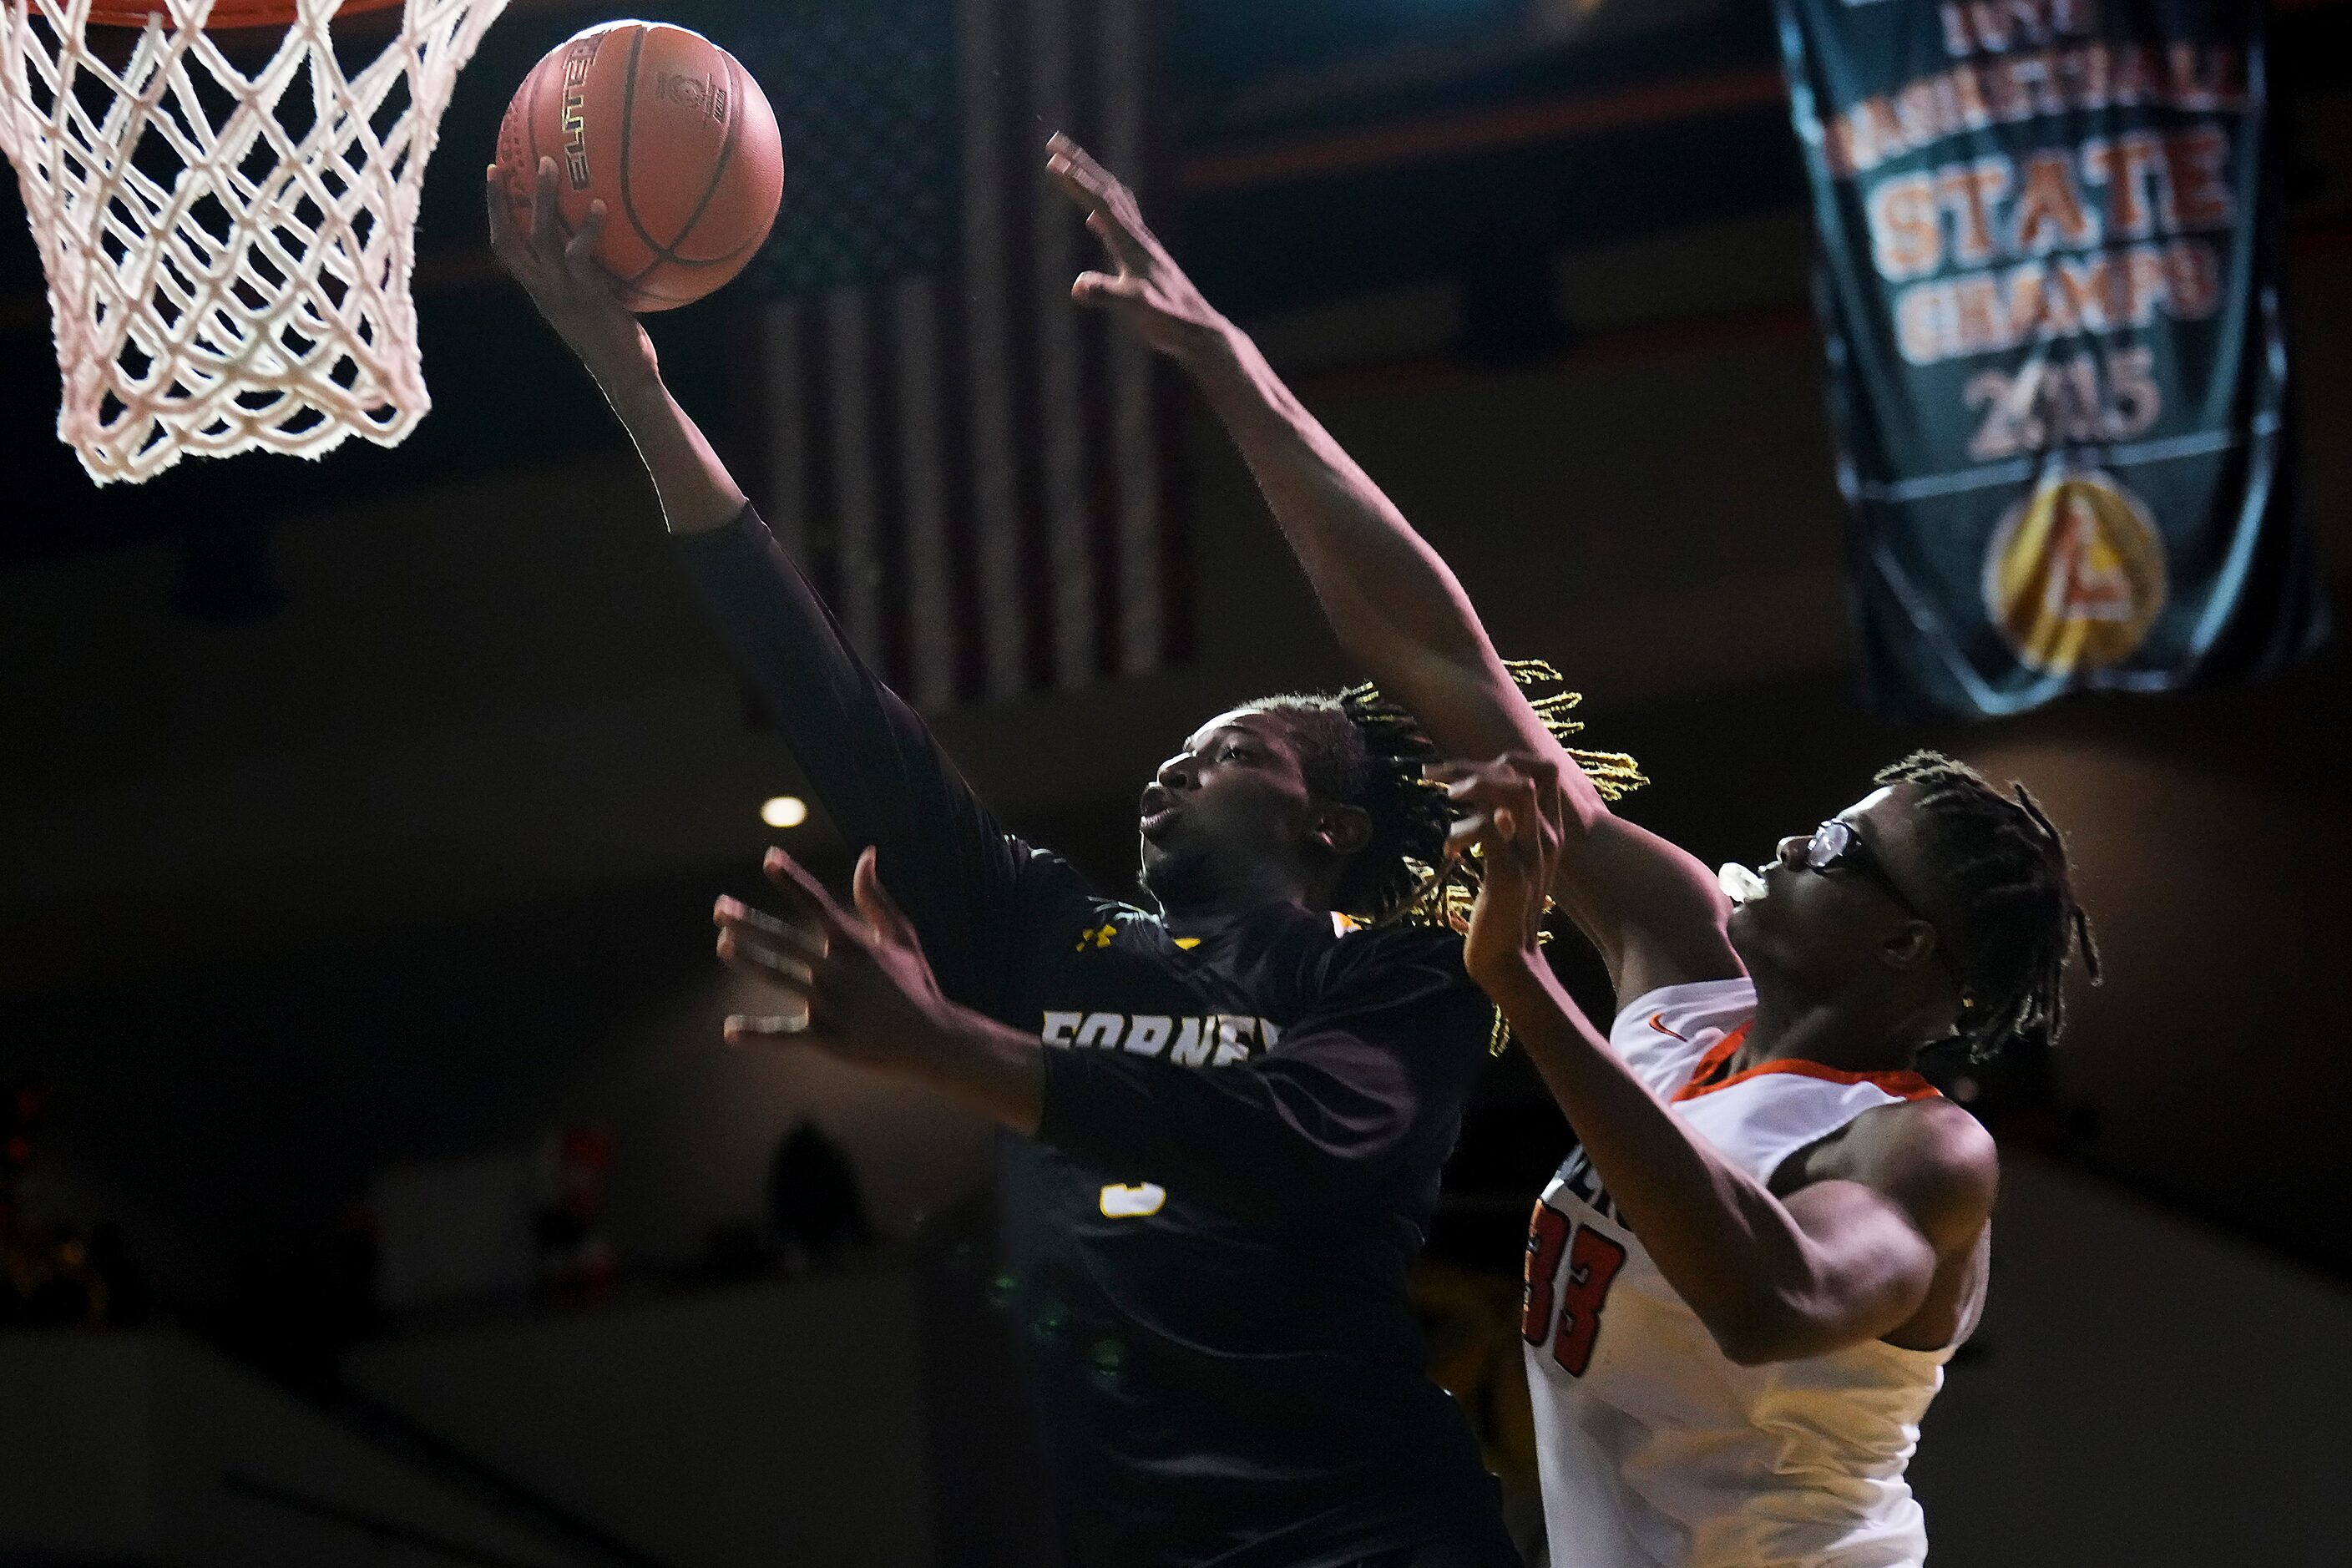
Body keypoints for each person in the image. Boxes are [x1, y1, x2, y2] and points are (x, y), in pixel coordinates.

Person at [484, 150, 1633, 1567]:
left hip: (1369, 1541)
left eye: (1227, 754)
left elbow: (1280, 1149)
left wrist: (948, 1047)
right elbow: (832, 697)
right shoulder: (1042, 932)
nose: (1171, 764)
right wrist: (632, 381)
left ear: (1326, 829)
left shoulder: (1409, 978)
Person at [1044, 137, 2096, 1567]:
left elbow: (1770, 1299)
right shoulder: (1682, 951)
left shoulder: (1918, 1146)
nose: (1796, 834)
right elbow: (1438, 656)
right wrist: (1234, 365)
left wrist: (1526, 988)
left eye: (1844, 845)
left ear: (1908, 945)